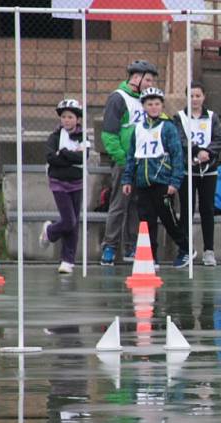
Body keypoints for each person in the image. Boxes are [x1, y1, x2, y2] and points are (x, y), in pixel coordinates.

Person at [121, 87, 191, 268]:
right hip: (143, 183)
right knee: (146, 221)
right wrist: (127, 179)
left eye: (157, 104)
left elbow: (176, 155)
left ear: (162, 106)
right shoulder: (138, 129)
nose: (153, 107)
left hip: (162, 182)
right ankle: (151, 256)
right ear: (143, 106)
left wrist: (175, 181)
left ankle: (185, 248)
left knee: (168, 218)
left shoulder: (168, 127)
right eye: (149, 104)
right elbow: (131, 156)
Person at [99, 59, 158, 266]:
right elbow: (109, 134)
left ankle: (131, 246)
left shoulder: (146, 100)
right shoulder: (118, 98)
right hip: (126, 162)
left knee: (136, 206)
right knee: (118, 204)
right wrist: (123, 160)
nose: (151, 84)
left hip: (143, 162)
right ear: (136, 78)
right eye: (148, 80)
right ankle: (109, 247)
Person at [174, 81, 221, 267]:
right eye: (191, 96)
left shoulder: (212, 117)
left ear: (204, 97)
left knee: (207, 210)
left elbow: (219, 139)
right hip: (188, 170)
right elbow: (179, 139)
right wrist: (196, 151)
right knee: (186, 209)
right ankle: (185, 249)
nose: (194, 99)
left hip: (208, 170)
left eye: (198, 96)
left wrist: (208, 153)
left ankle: (209, 250)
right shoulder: (179, 117)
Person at [39, 99, 88, 274]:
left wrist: (65, 154)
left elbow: (83, 157)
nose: (67, 120)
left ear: (77, 119)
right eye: (64, 117)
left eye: (71, 117)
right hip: (58, 182)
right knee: (69, 220)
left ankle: (68, 260)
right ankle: (50, 231)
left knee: (73, 224)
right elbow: (51, 157)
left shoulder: (83, 137)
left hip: (77, 183)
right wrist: (70, 156)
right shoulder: (55, 137)